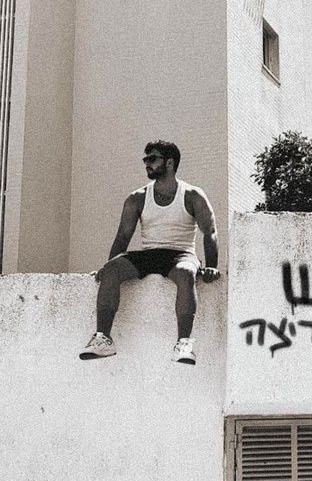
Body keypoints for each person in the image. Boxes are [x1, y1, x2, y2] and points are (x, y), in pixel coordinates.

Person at [79, 140, 220, 364]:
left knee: (186, 273)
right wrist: (108, 268)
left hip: (181, 254)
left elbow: (210, 232)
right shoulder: (137, 198)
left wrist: (211, 265)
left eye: (152, 159)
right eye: (145, 159)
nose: (147, 163)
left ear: (170, 163)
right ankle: (102, 339)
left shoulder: (192, 195)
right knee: (112, 268)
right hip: (149, 254)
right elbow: (122, 237)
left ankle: (184, 344)